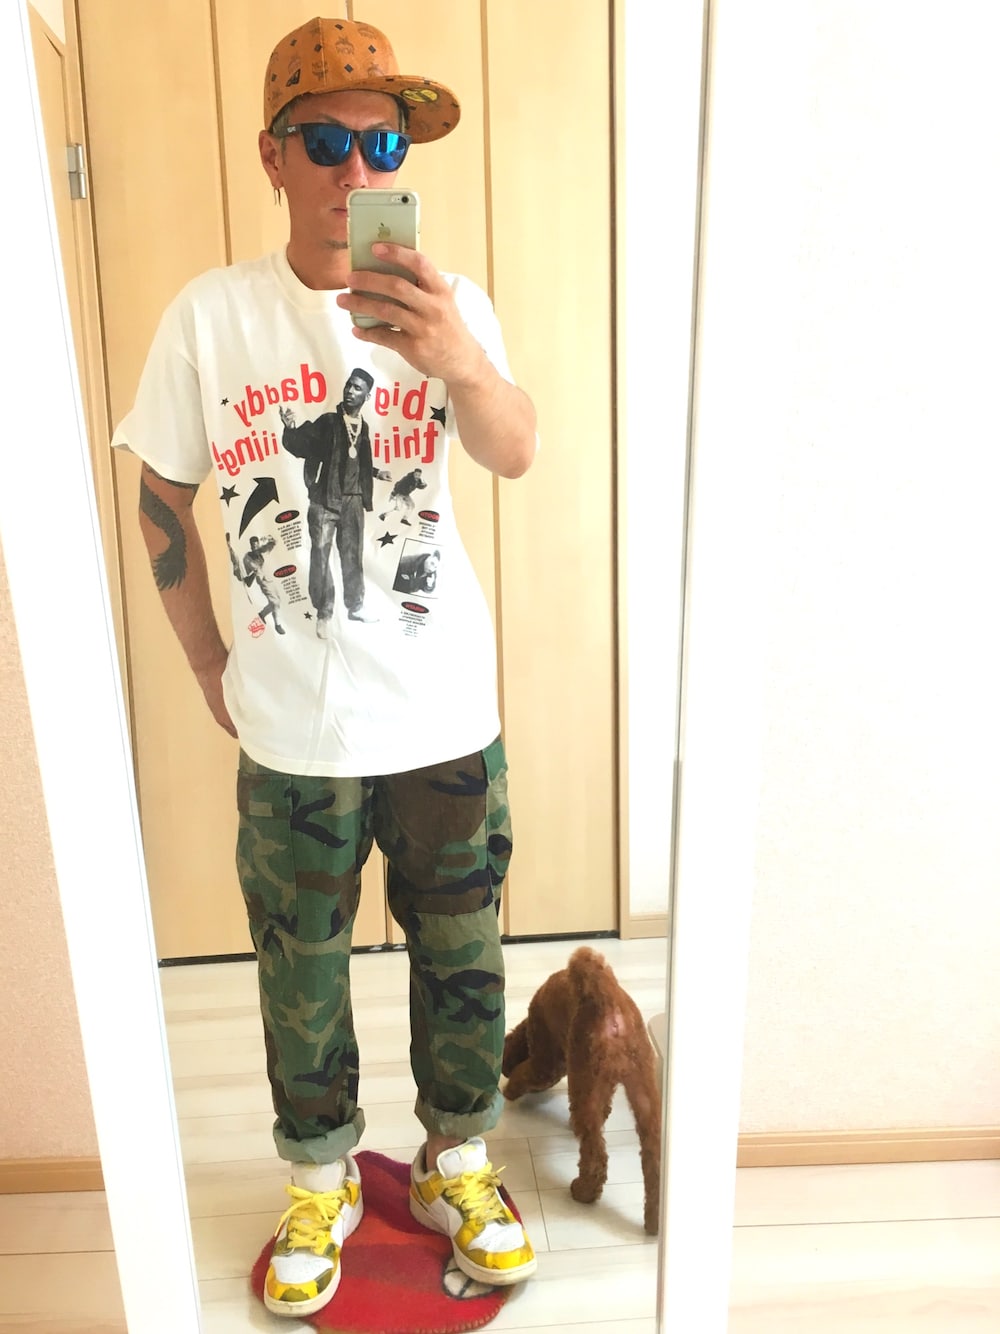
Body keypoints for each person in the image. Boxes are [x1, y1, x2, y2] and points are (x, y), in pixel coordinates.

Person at [112, 15, 538, 1321]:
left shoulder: (451, 306)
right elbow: (161, 493)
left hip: (443, 710)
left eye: (385, 144)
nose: (358, 170)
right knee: (299, 970)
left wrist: (455, 357)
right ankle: (319, 1177)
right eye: (327, 141)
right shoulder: (212, 316)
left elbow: (515, 448)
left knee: (461, 953)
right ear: (273, 155)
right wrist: (203, 658)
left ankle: (457, 1159)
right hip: (292, 724)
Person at [279, 367, 392, 630]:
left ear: (367, 396)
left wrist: (376, 472)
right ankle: (324, 612)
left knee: (352, 556)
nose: (350, 391)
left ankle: (356, 607)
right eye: (349, 385)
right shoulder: (328, 422)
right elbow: (302, 446)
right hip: (325, 501)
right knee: (320, 554)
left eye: (357, 388)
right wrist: (290, 428)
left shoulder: (363, 427)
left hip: (354, 501)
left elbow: (358, 461)